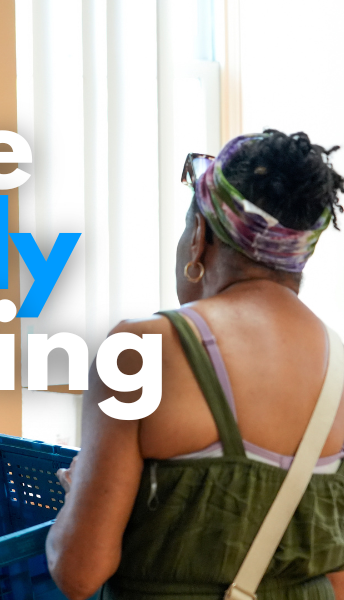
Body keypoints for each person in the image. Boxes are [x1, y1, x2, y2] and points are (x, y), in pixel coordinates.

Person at [46, 130, 344, 600]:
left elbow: (79, 572)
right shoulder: (339, 368)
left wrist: (78, 490)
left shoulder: (141, 349)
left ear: (199, 238)